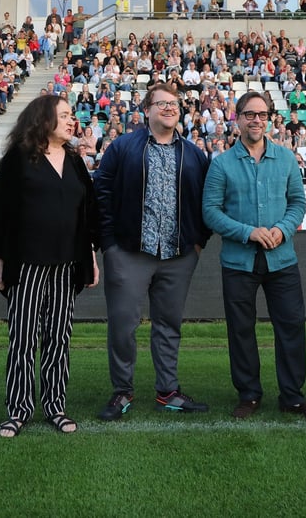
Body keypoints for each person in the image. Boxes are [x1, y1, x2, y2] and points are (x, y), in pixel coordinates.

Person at [0, 95, 100, 437]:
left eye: (71, 115)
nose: (71, 120)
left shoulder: (75, 161)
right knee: (23, 339)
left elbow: (86, 214)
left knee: (59, 337)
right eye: (63, 115)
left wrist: (90, 256)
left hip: (67, 264)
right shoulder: (17, 159)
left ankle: (55, 406)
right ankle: (18, 410)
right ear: (43, 119)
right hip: (27, 264)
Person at [203, 92, 306, 420]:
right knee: (241, 330)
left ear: (269, 118)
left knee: (291, 326)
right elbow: (210, 212)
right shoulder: (222, 164)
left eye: (261, 114)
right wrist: (249, 232)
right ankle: (249, 394)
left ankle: (292, 396)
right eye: (249, 114)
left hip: (282, 259)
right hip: (238, 261)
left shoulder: (286, 159)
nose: (256, 120)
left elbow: (298, 203)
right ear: (238, 118)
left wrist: (282, 229)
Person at [93, 83, 211, 421]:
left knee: (169, 324)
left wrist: (198, 242)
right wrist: (109, 244)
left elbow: (207, 199)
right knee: (122, 325)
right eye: (161, 103)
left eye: (174, 103)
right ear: (146, 110)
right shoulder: (123, 147)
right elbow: (101, 192)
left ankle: (168, 391)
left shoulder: (193, 153)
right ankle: (122, 391)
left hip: (178, 254)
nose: (169, 108)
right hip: (129, 252)